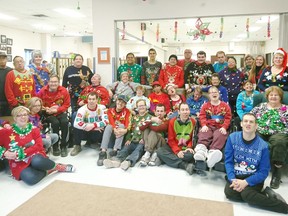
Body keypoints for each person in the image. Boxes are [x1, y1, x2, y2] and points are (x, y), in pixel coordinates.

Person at [224, 113, 288, 214]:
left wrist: (246, 182)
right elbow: (228, 161)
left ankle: (283, 207)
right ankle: (264, 195)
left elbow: (263, 171)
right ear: (241, 124)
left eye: (251, 122)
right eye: (245, 121)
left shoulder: (263, 146)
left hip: (253, 177)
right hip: (237, 176)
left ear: (256, 126)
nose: (248, 124)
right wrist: (232, 179)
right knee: (230, 193)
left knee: (247, 195)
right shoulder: (232, 138)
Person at [0, 106, 75, 186]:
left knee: (37, 161)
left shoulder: (34, 129)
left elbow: (39, 146)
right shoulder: (6, 132)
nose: (23, 117)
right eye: (19, 115)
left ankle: (56, 166)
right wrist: (4, 153)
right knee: (30, 179)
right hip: (18, 162)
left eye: (25, 115)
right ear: (14, 118)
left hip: (34, 156)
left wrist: (22, 153)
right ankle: (48, 170)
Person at [251, 86, 288, 189]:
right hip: (260, 131)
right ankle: (253, 169)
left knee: (279, 143)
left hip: (279, 132)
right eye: (271, 95)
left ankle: (276, 173)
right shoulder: (260, 106)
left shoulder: (286, 109)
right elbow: (250, 116)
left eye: (276, 95)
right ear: (267, 97)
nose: (273, 97)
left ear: (280, 97)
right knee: (253, 139)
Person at [103, 99, 152, 170]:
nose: (141, 107)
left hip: (142, 141)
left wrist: (145, 138)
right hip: (132, 140)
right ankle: (116, 161)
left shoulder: (150, 117)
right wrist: (128, 139)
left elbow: (151, 131)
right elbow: (129, 129)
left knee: (138, 150)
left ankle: (128, 162)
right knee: (125, 148)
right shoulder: (134, 118)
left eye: (143, 105)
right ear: (137, 108)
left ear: (146, 106)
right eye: (139, 106)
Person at [194, 86, 232, 169]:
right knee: (204, 133)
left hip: (220, 127)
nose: (214, 93)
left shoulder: (225, 106)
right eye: (212, 92)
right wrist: (203, 125)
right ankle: (202, 151)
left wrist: (225, 127)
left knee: (220, 135)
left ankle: (213, 153)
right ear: (209, 95)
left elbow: (228, 118)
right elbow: (202, 116)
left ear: (219, 94)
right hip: (208, 125)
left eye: (216, 92)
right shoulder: (205, 105)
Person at [156, 103, 197, 175]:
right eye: (183, 110)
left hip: (185, 148)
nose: (185, 112)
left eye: (187, 110)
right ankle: (184, 165)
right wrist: (177, 151)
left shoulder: (193, 122)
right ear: (179, 112)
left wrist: (189, 147)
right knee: (160, 151)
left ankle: (166, 159)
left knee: (190, 156)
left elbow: (192, 138)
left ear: (189, 111)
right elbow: (171, 140)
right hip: (174, 146)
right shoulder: (172, 121)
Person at [38, 74, 70, 157]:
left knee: (65, 122)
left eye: (55, 82)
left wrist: (57, 110)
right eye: (51, 82)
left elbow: (66, 104)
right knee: (55, 123)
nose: (53, 84)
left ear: (58, 82)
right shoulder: (42, 91)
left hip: (60, 112)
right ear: (48, 82)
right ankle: (55, 146)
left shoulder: (63, 90)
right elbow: (37, 103)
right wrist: (45, 109)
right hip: (47, 113)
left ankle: (63, 145)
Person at [97, 95, 131, 166]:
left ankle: (116, 150)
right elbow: (110, 121)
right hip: (111, 134)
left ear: (125, 104)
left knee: (121, 125)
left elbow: (128, 124)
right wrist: (115, 128)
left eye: (123, 102)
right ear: (116, 101)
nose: (120, 103)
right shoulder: (109, 110)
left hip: (120, 135)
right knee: (109, 126)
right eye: (119, 101)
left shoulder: (127, 112)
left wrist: (125, 130)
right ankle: (103, 152)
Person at [71, 92, 109, 156]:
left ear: (97, 100)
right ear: (87, 100)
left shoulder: (102, 108)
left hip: (96, 131)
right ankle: (77, 145)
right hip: (85, 131)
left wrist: (93, 125)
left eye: (93, 99)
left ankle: (93, 142)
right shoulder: (82, 109)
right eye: (90, 99)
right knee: (77, 127)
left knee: (105, 127)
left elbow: (106, 121)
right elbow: (76, 123)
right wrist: (91, 126)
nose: (91, 101)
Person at [0, 52, 12, 116]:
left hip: (8, 101)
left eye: (3, 58)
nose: (2, 60)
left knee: (8, 120)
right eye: (0, 59)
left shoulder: (11, 71)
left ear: (7, 59)